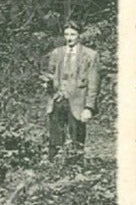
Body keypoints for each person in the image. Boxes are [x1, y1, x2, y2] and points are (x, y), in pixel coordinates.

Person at [42, 21, 99, 159]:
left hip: (78, 101)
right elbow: (50, 73)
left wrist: (89, 108)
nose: (69, 38)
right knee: (55, 134)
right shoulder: (57, 53)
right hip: (58, 98)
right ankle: (54, 164)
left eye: (73, 34)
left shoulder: (90, 55)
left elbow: (94, 83)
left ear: (79, 35)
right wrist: (47, 83)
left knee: (76, 135)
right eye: (66, 34)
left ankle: (75, 165)